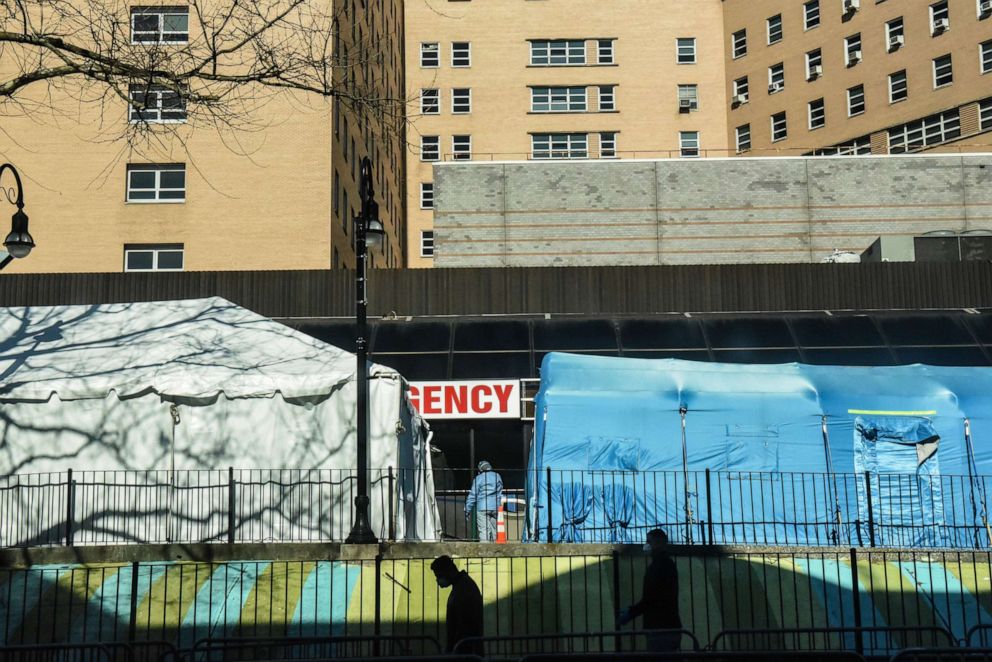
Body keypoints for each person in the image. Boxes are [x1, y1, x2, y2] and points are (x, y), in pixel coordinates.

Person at [617, 528, 682, 652]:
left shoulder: (658, 567)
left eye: (649, 542)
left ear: (657, 543)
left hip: (660, 628)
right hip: (668, 626)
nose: (646, 545)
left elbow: (651, 598)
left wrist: (631, 612)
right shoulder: (666, 564)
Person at [431, 555, 484, 655]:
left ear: (448, 572)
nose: (438, 580)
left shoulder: (463, 589)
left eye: (439, 576)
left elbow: (464, 623)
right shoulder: (462, 585)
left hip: (465, 648)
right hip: (464, 646)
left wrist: (453, 647)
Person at [464, 460, 503, 542]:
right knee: (495, 530)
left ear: (480, 469)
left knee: (484, 531)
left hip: (482, 507)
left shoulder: (479, 478)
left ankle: (485, 551)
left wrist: (467, 509)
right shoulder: (497, 476)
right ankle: (495, 550)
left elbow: (473, 494)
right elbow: (500, 492)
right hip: (495, 506)